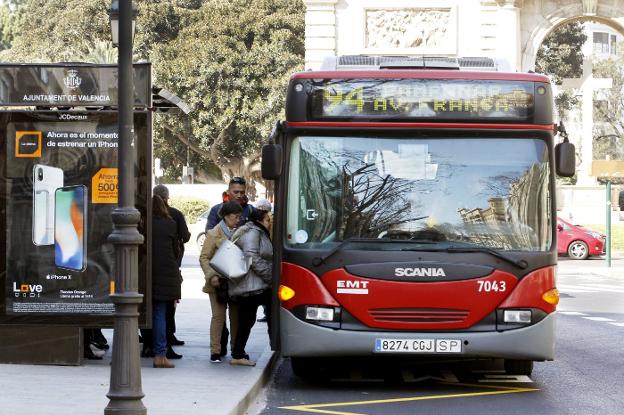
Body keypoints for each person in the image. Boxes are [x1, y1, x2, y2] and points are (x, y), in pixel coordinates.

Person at [199, 201, 243, 363]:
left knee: (236, 317)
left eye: (239, 216)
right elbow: (204, 257)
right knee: (218, 317)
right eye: (235, 216)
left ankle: (235, 351)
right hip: (217, 283)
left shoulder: (241, 232)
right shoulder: (213, 233)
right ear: (226, 216)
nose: (237, 220)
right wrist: (212, 275)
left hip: (235, 282)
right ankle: (215, 351)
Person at [229, 209, 273, 366]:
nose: (270, 222)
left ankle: (239, 353)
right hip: (251, 286)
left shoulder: (258, 232)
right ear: (260, 220)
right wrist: (270, 276)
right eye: (267, 219)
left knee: (253, 318)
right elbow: (252, 256)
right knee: (247, 320)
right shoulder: (252, 232)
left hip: (257, 285)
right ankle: (237, 354)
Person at [153, 184, 191, 350]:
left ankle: (151, 343)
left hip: (148, 266)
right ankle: (167, 340)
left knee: (154, 308)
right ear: (167, 198)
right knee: (167, 306)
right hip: (171, 265)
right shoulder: (174, 215)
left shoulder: (144, 215)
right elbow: (186, 237)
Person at [151, 195, 183, 368]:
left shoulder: (144, 225)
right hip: (167, 275)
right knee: (160, 313)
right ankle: (160, 354)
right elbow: (176, 250)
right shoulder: (170, 224)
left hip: (146, 274)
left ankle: (149, 349)